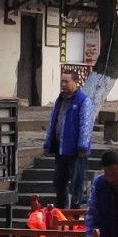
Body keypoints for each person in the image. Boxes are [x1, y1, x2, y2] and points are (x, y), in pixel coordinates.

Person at [44, 67, 96, 209]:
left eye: (67, 81)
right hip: (60, 148)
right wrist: (48, 142)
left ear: (76, 82)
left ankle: (75, 210)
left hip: (75, 150)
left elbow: (86, 124)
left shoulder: (83, 101)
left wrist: (83, 146)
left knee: (77, 183)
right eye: (62, 81)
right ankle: (61, 211)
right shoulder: (59, 100)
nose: (64, 84)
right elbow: (53, 122)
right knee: (59, 182)